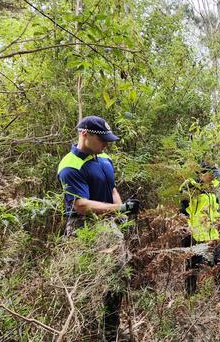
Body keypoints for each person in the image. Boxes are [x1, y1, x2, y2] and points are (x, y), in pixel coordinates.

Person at [57, 115, 140, 342]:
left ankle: (110, 330)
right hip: (83, 228)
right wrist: (119, 209)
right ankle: (89, 332)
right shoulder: (69, 166)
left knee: (118, 277)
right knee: (89, 282)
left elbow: (112, 189)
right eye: (102, 140)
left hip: (109, 225)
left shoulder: (104, 159)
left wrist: (122, 212)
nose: (106, 144)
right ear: (85, 134)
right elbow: (81, 205)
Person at [179, 162, 220, 305]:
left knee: (219, 265)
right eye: (211, 175)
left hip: (213, 236)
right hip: (195, 237)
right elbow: (183, 212)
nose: (213, 179)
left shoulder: (211, 191)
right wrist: (186, 227)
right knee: (192, 270)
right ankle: (190, 301)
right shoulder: (190, 187)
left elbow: (215, 212)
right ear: (203, 174)